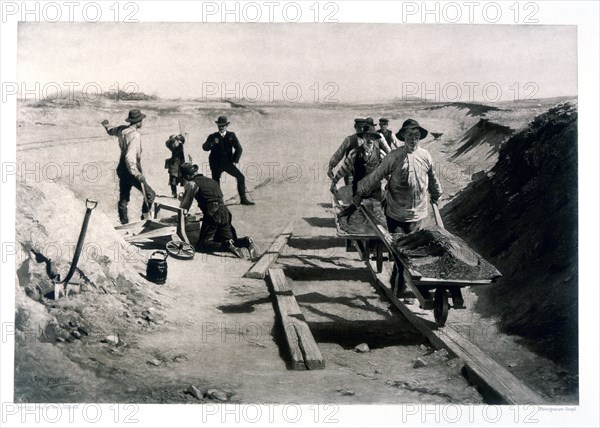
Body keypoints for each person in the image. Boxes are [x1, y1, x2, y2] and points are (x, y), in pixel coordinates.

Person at [355, 119, 442, 234]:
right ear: (403, 136)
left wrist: (437, 194)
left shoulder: (425, 156)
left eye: (416, 135)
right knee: (396, 247)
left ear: (420, 136)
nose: (413, 139)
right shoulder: (394, 156)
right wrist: (360, 192)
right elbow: (376, 176)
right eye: (409, 135)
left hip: (417, 215)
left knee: (413, 246)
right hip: (395, 214)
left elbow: (433, 178)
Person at [179, 162, 259, 259]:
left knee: (202, 246)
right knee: (229, 239)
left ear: (187, 176)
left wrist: (182, 205)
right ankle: (246, 241)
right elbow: (218, 199)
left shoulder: (192, 183)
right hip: (225, 212)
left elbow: (184, 206)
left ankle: (226, 246)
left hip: (213, 214)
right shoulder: (212, 181)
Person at [102, 109, 155, 225]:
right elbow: (129, 157)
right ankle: (145, 219)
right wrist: (136, 173)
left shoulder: (122, 129)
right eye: (141, 120)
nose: (142, 122)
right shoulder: (135, 135)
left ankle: (124, 222)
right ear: (138, 121)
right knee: (150, 194)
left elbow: (111, 130)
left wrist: (106, 124)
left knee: (124, 197)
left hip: (121, 168)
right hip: (131, 168)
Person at [202, 116, 254, 205]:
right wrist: (212, 143)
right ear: (217, 126)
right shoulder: (212, 136)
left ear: (226, 126)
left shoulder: (231, 135)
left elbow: (239, 149)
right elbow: (204, 148)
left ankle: (243, 199)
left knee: (241, 177)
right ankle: (219, 201)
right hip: (215, 163)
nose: (221, 127)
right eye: (219, 126)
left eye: (223, 126)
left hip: (227, 163)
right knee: (216, 182)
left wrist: (235, 160)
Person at [330, 126, 386, 200]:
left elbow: (388, 169)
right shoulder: (354, 153)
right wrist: (334, 182)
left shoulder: (380, 154)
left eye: (372, 137)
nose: (370, 140)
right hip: (358, 191)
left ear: (375, 139)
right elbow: (344, 169)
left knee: (377, 210)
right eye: (367, 136)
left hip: (375, 191)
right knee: (357, 209)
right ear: (363, 137)